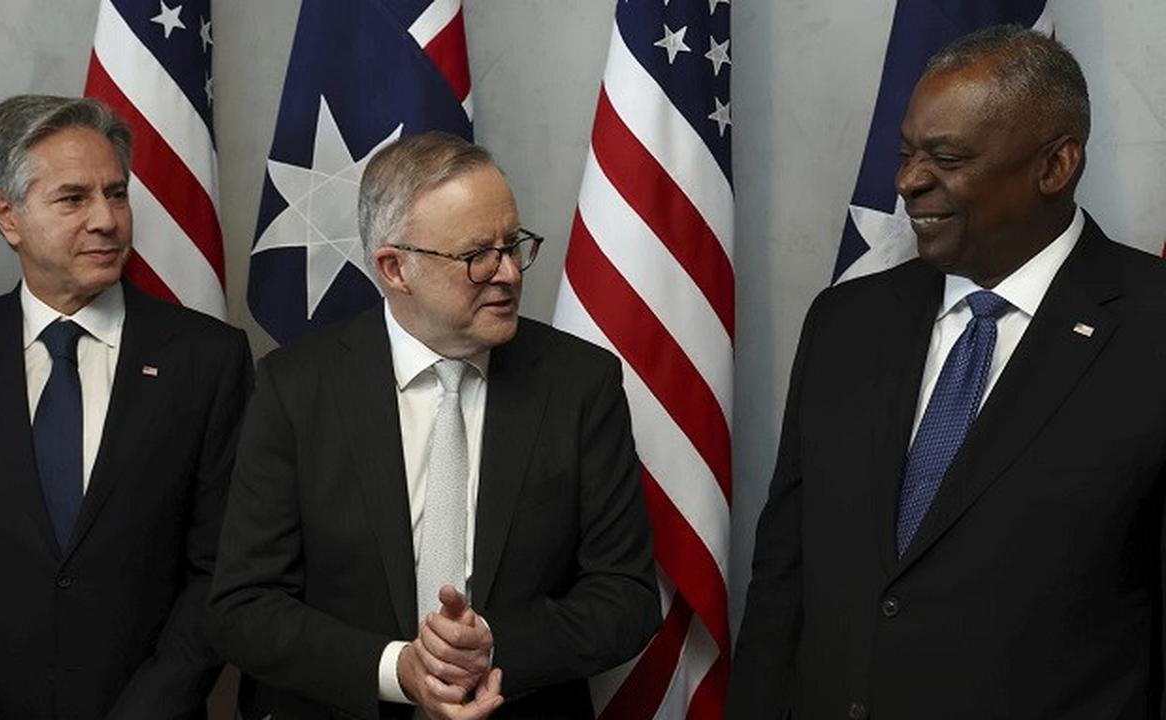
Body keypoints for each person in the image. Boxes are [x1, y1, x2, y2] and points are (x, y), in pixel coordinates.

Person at [729, 25, 1166, 720]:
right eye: (906, 153)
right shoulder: (846, 322)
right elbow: (785, 575)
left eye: (947, 157)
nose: (908, 181)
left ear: (1055, 166)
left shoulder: (1149, 331)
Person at [208, 131, 660, 719]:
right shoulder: (296, 389)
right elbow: (244, 608)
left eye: (513, 244)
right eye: (477, 255)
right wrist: (397, 669)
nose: (508, 273)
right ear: (396, 269)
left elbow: (625, 598)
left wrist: (490, 647)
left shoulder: (580, 385)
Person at [0, 95, 252, 719]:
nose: (107, 219)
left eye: (116, 193)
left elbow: (219, 571)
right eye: (73, 198)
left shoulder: (208, 361)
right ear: (8, 215)